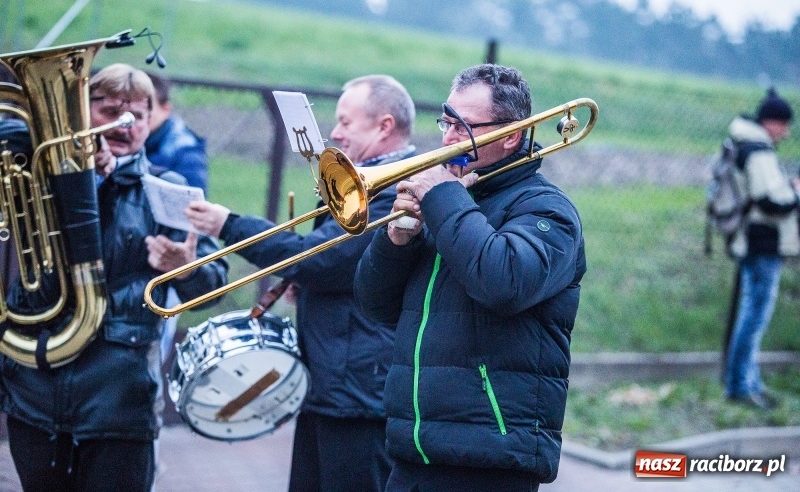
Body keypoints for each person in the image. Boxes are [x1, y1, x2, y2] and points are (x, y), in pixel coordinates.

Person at [353, 63, 586, 491]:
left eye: (462, 127)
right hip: (413, 451)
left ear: (510, 135)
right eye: (446, 122)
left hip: (489, 457)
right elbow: (374, 306)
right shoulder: (449, 203)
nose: (447, 138)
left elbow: (503, 283)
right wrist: (397, 237)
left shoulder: (547, 211)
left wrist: (444, 200)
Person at [0, 63, 228, 492]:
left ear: (150, 123)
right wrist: (81, 174)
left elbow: (215, 281)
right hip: (36, 389)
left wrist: (185, 265)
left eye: (138, 114)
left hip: (119, 399)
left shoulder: (166, 187)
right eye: (109, 110)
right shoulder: (40, 172)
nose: (126, 123)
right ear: (81, 114)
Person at [185, 74, 416, 492]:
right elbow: (334, 266)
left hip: (359, 390)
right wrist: (305, 281)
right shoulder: (359, 180)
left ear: (384, 126)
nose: (335, 132)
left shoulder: (392, 189)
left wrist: (230, 225)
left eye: (346, 122)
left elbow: (322, 260)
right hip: (334, 380)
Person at [722, 87, 798, 410]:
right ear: (772, 122)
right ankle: (741, 385)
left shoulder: (746, 144)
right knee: (754, 318)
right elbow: (771, 201)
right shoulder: (758, 151)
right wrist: (795, 194)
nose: (788, 131)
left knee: (749, 315)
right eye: (785, 123)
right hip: (763, 241)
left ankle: (746, 382)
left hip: (752, 239)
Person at [145, 72, 210, 365]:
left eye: (146, 109)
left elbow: (193, 216)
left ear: (165, 108)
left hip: (164, 267)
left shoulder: (184, 151)